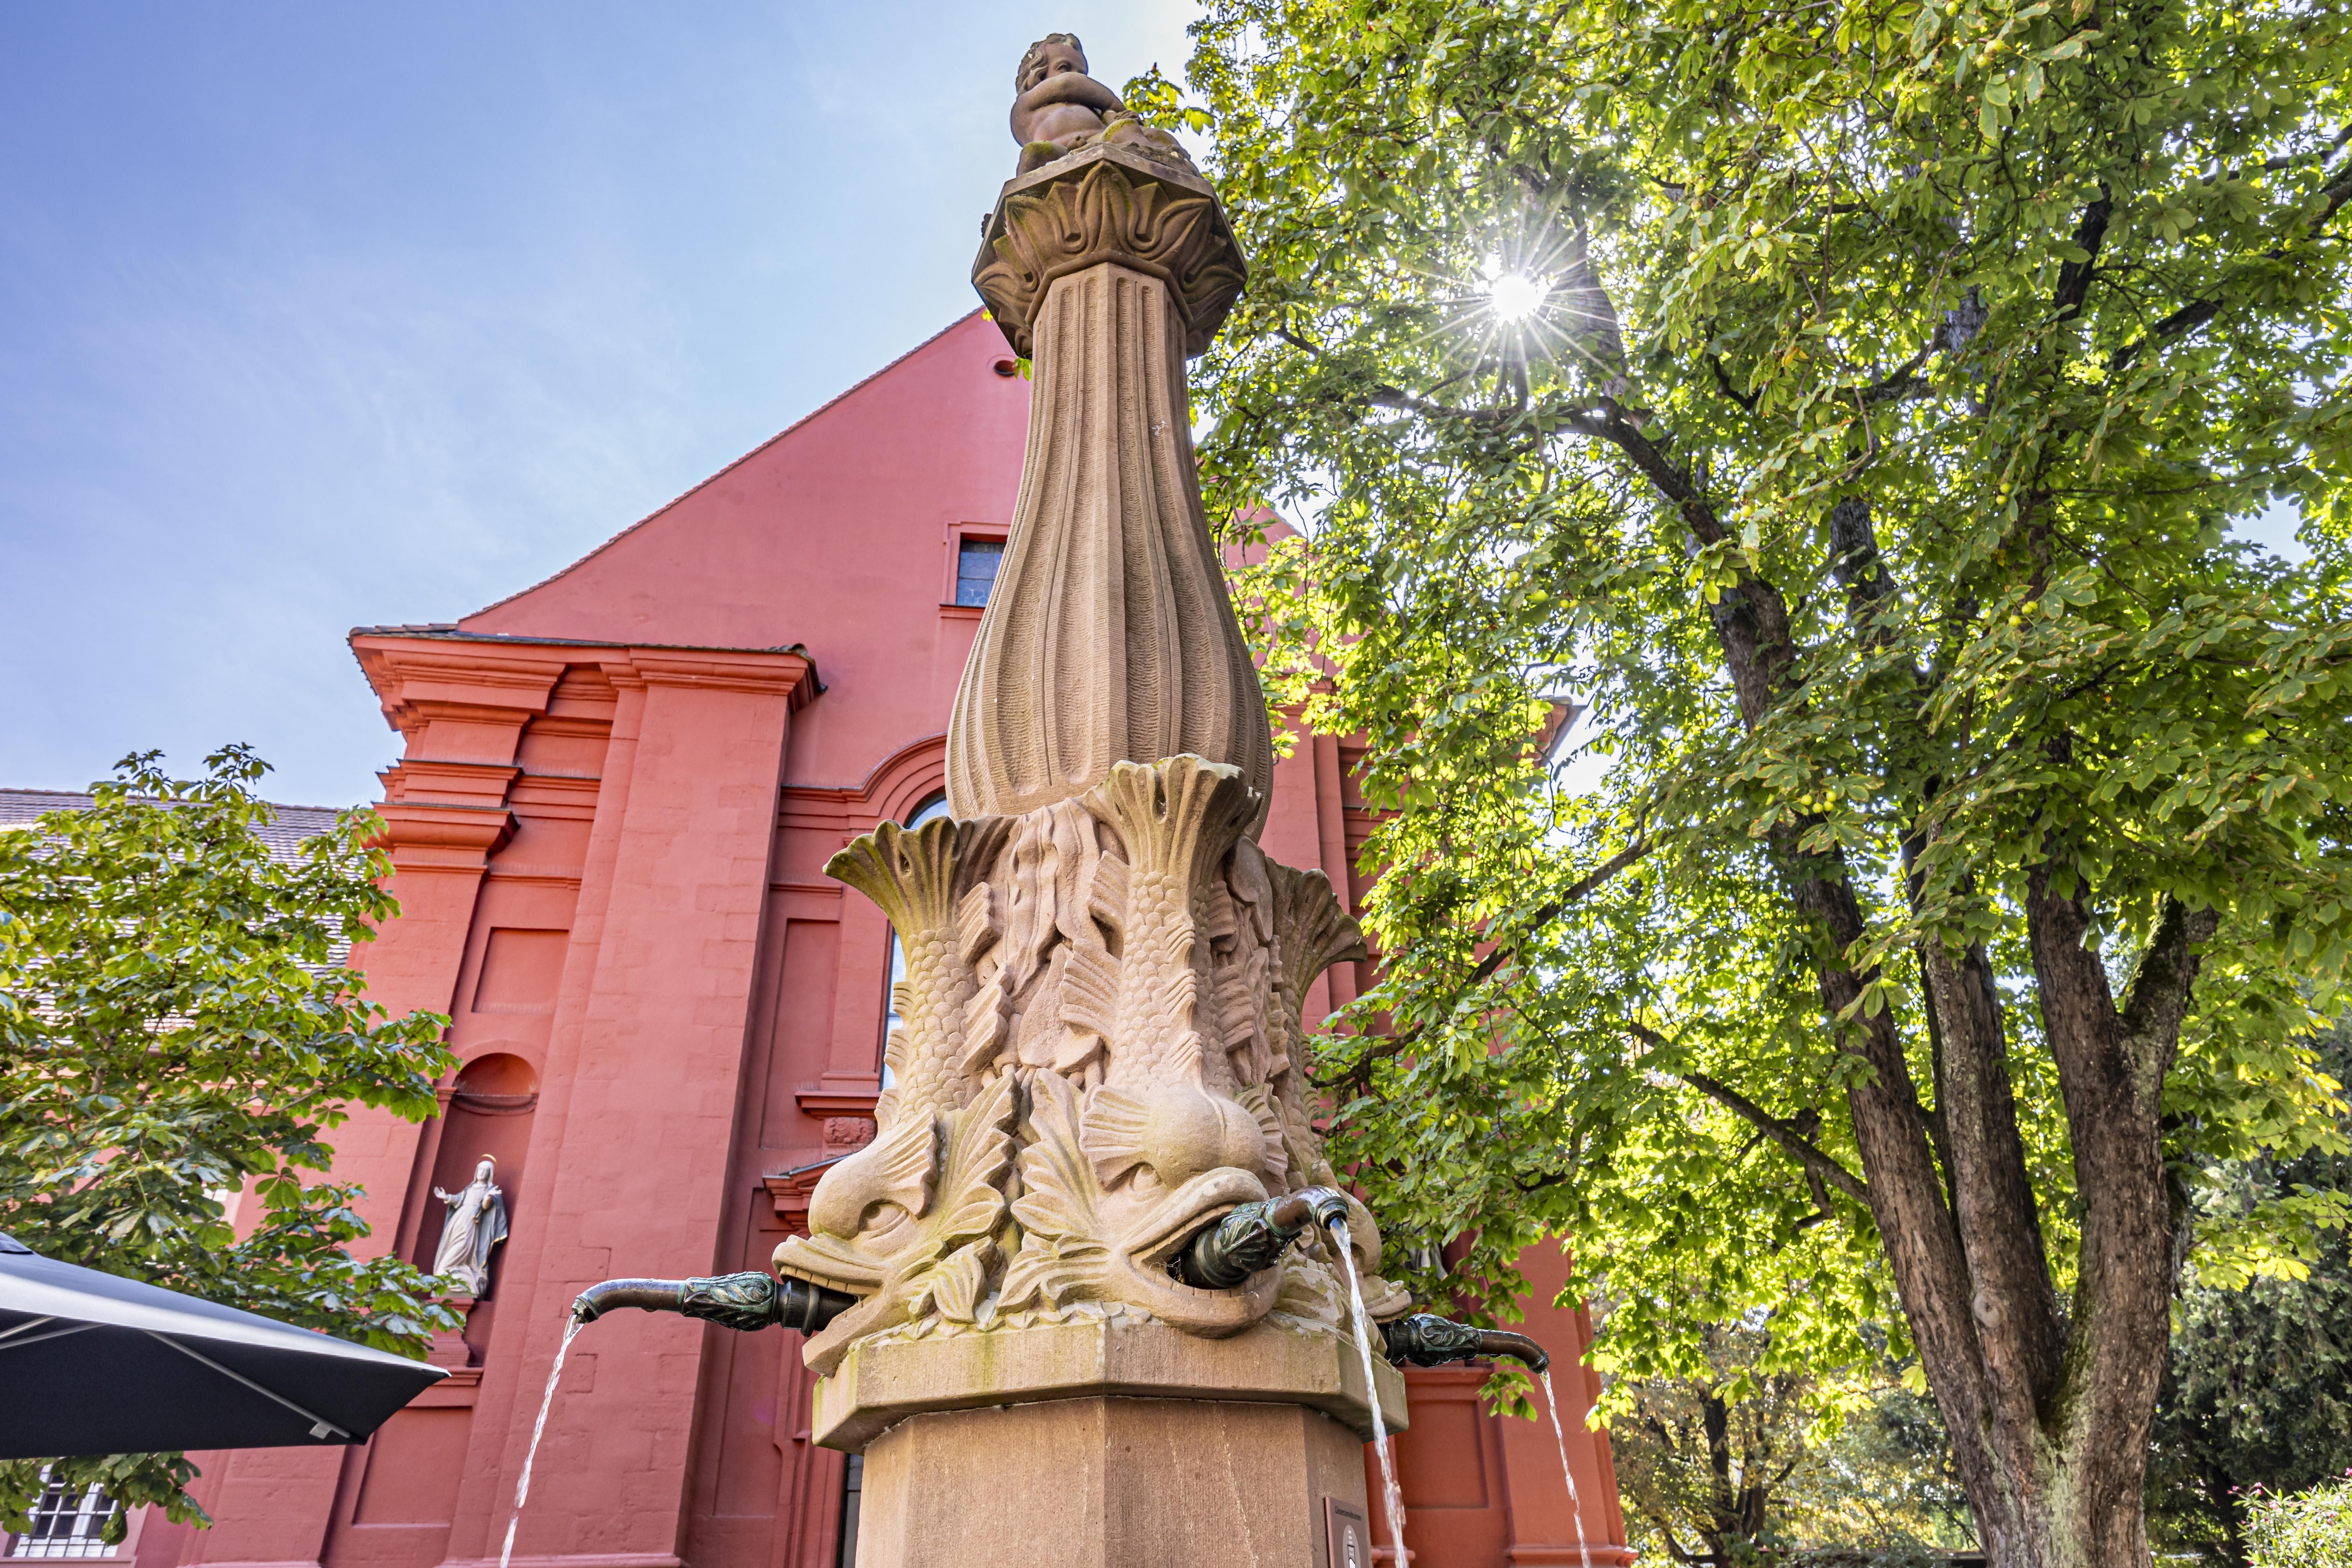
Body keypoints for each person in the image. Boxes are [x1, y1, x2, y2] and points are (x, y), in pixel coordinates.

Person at [429, 1156, 509, 1297]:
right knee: (451, 1244)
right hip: (458, 1220)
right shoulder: (470, 1188)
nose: (482, 1172)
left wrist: (489, 1197)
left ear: (489, 1174)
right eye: (480, 1169)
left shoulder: (489, 1190)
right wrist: (446, 1197)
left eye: (486, 1170)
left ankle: (449, 1271)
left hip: (471, 1223)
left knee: (463, 1245)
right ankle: (448, 1272)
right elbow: (459, 1199)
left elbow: (486, 1207)